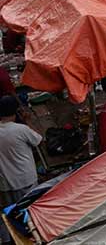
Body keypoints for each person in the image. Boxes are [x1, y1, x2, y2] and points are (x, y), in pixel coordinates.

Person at [0, 96, 42, 243]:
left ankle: (10, 241)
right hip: (25, 180)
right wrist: (26, 120)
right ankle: (34, 239)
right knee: (29, 213)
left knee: (7, 216)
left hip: (4, 183)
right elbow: (38, 139)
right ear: (15, 111)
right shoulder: (21, 129)